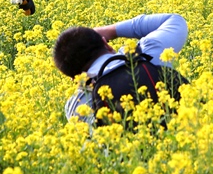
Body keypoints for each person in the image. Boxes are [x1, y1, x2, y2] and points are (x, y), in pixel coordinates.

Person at [54, 13, 189, 126]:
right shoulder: (146, 53)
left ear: (75, 80)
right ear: (106, 44)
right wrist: (112, 31)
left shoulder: (77, 106)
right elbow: (175, 21)